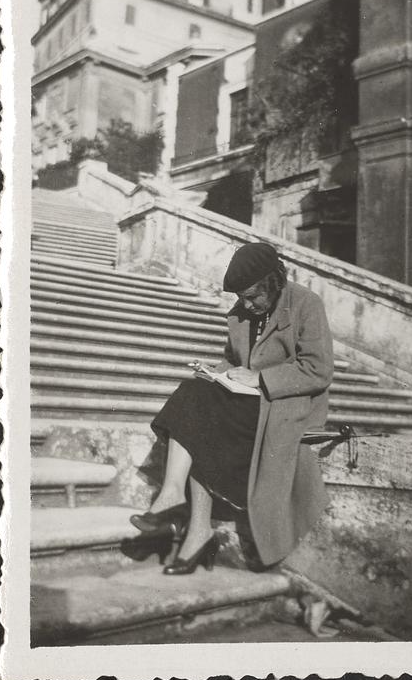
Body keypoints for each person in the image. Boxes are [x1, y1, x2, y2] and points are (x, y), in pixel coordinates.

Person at [130, 242, 334, 574]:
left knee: (199, 416)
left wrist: (260, 378)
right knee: (195, 394)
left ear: (273, 281)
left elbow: (318, 370)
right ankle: (175, 500)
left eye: (253, 296)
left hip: (285, 406)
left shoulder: (306, 304)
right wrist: (214, 372)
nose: (247, 304)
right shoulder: (243, 312)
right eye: (241, 297)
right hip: (248, 402)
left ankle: (192, 525)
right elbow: (234, 360)